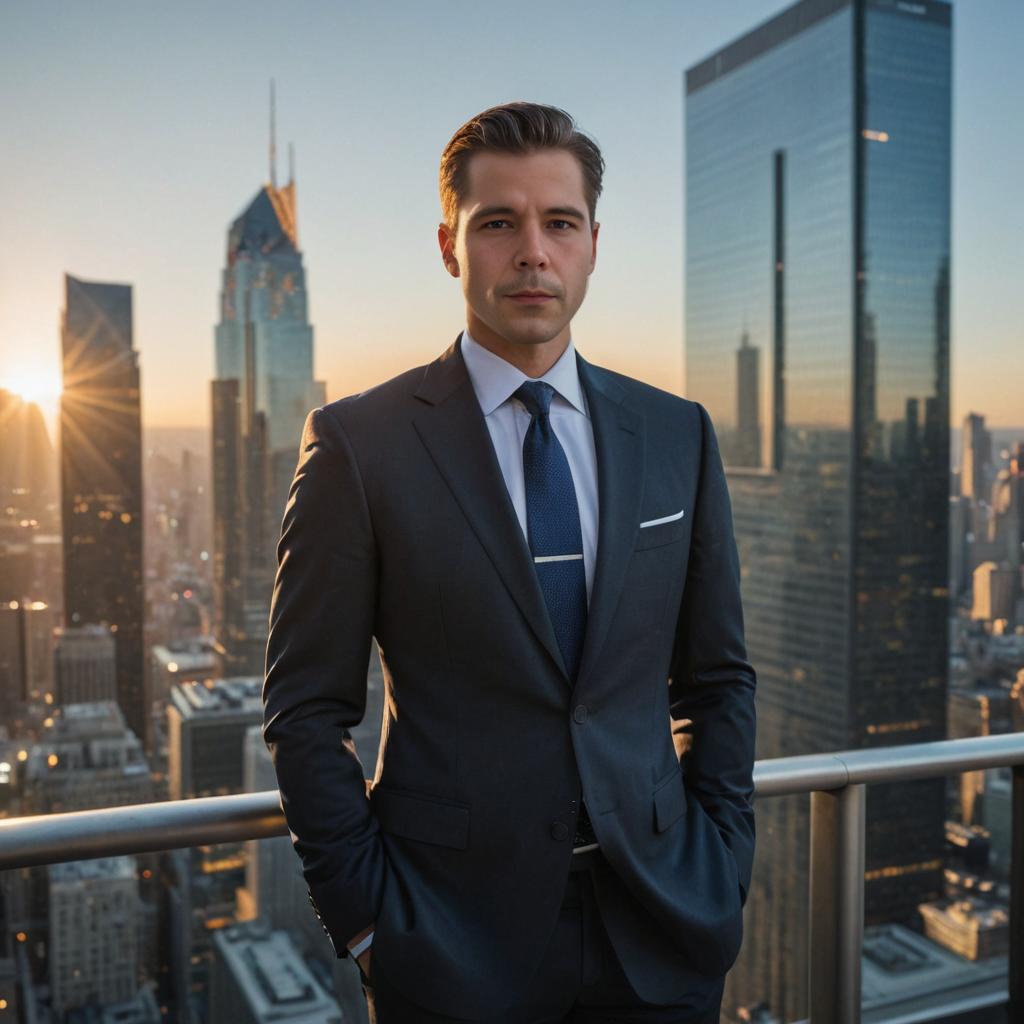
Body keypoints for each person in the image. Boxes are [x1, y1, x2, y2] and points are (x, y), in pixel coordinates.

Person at [262, 101, 756, 1024]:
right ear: (451, 246)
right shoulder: (359, 445)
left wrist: (722, 863)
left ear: (593, 245)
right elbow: (303, 711)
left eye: (559, 222)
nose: (533, 251)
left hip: (663, 929)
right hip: (449, 945)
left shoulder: (675, 433)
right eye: (499, 223)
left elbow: (718, 677)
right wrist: (369, 924)